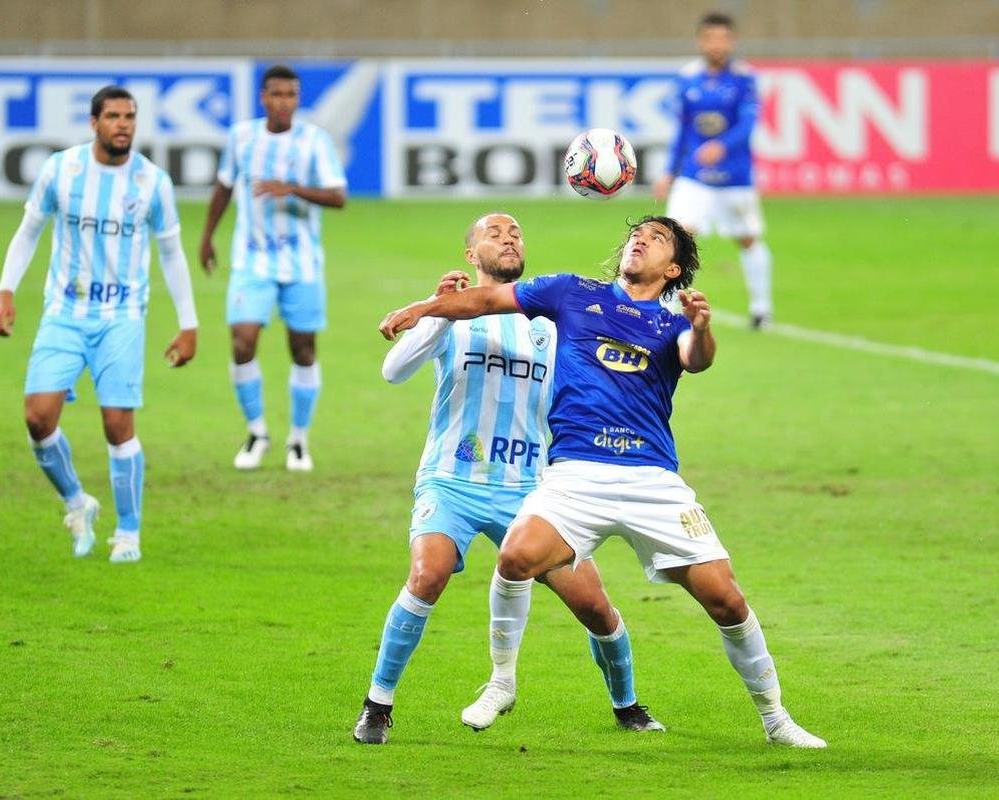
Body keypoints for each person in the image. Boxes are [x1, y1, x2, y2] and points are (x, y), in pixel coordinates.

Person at [379, 216, 826, 748]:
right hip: (576, 474)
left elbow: (695, 360)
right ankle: (501, 681)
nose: (641, 239)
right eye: (637, 233)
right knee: (515, 558)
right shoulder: (569, 292)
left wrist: (703, 328)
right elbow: (481, 303)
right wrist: (422, 309)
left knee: (725, 599)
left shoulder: (670, 324)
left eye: (657, 239)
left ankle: (776, 720)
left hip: (651, 480)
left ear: (674, 268)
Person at [353, 213, 663, 745]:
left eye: (515, 232)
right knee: (427, 575)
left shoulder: (547, 323)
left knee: (593, 605)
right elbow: (393, 370)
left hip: (529, 488)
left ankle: (628, 705)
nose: (508, 238)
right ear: (472, 255)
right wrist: (437, 315)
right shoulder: (452, 315)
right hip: (452, 479)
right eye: (493, 234)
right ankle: (377, 706)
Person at [0, 85, 199, 564]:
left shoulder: (152, 182)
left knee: (117, 425)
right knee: (37, 418)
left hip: (122, 317)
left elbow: (171, 253)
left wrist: (188, 324)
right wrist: (6, 290)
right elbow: (28, 233)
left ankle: (128, 532)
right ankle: (77, 502)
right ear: (94, 122)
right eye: (113, 116)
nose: (123, 124)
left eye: (130, 116)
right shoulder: (61, 170)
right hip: (63, 313)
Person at [199, 64, 347, 472]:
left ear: (298, 100)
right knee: (242, 342)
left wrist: (292, 188)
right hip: (252, 259)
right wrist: (208, 235)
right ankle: (256, 431)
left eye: (292, 95)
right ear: (263, 97)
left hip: (302, 263)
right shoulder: (241, 137)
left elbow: (338, 197)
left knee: (302, 349)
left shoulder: (315, 140)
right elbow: (225, 185)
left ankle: (298, 439)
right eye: (277, 94)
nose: (285, 102)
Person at [652, 11, 774, 330]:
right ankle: (666, 307)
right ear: (701, 41)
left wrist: (723, 145)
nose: (717, 44)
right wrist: (669, 172)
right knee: (677, 237)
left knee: (748, 239)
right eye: (711, 38)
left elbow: (748, 124)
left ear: (731, 41)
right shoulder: (687, 78)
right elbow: (681, 130)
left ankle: (761, 308)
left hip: (735, 178)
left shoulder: (744, 79)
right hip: (695, 177)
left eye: (723, 38)